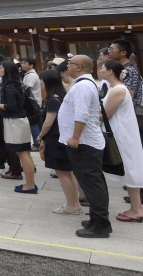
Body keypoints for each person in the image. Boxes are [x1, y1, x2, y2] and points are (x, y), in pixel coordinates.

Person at [60, 55, 111, 238]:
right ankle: (96, 219)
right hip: (86, 142)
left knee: (92, 184)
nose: (67, 66)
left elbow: (81, 114)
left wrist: (75, 137)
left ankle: (101, 224)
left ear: (79, 67)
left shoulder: (82, 86)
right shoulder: (85, 83)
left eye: (70, 64)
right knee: (93, 182)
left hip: (84, 143)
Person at [99, 60, 143, 222]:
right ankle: (136, 206)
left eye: (102, 67)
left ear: (110, 71)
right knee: (129, 167)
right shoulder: (115, 88)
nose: (100, 70)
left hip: (122, 135)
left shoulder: (117, 90)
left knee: (130, 168)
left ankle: (136, 208)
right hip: (123, 133)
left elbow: (105, 114)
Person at [36, 68, 81, 215]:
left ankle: (71, 206)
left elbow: (48, 123)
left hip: (56, 140)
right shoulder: (62, 95)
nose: (40, 83)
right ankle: (75, 203)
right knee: (69, 172)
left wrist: (40, 136)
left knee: (63, 173)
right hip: (63, 138)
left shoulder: (53, 100)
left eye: (41, 80)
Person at [0, 60, 37, 194]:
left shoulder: (9, 86)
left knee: (22, 153)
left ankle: (30, 185)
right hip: (20, 120)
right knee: (25, 152)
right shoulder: (16, 84)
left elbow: (12, 106)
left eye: (1, 68)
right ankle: (30, 182)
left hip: (15, 122)